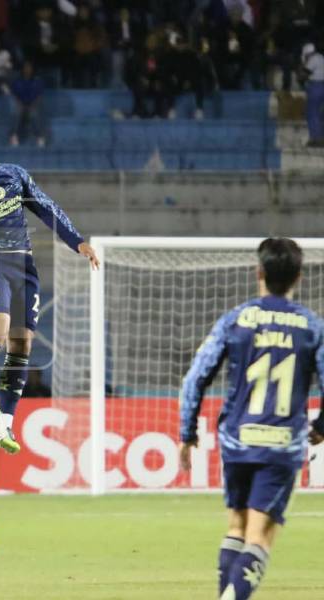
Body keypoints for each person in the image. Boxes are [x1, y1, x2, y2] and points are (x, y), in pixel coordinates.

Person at [0, 123, 99, 454]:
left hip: (23, 266)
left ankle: (4, 424)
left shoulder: (13, 174)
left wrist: (77, 243)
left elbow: (45, 206)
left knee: (21, 344)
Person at [179, 237, 324, 600]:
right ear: (299, 277)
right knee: (261, 536)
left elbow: (196, 377)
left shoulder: (236, 319)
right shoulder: (311, 326)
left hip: (237, 441)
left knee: (236, 527)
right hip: (280, 445)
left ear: (258, 272)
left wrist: (187, 432)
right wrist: (321, 427)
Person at [8, 60, 47, 147]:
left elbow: (39, 96)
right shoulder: (17, 81)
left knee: (34, 114)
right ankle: (13, 136)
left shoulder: (37, 81)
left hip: (33, 105)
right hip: (20, 104)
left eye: (29, 67)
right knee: (16, 112)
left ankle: (40, 137)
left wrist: (33, 105)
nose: (27, 69)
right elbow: (14, 95)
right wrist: (20, 104)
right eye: (25, 67)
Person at [299, 43, 324, 147]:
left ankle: (316, 139)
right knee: (320, 114)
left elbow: (304, 74)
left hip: (316, 86)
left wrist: (302, 66)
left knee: (312, 113)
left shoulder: (313, 59)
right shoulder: (322, 57)